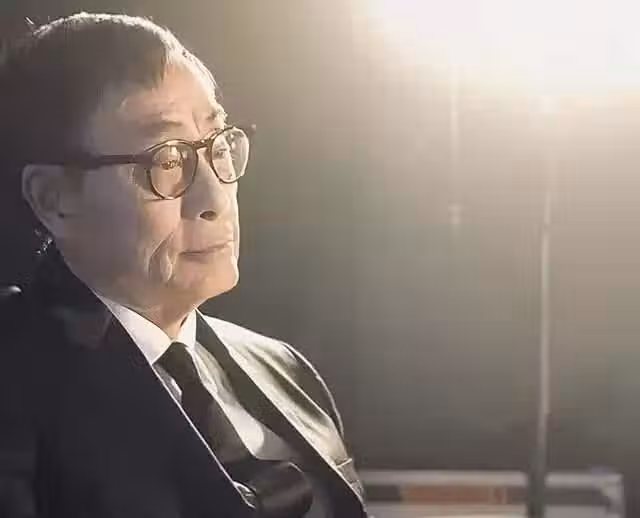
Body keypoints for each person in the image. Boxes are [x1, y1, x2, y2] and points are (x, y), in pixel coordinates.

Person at [0, 12, 366, 518]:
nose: (214, 198)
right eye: (168, 160)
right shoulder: (15, 374)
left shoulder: (285, 369)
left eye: (220, 144)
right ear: (54, 197)